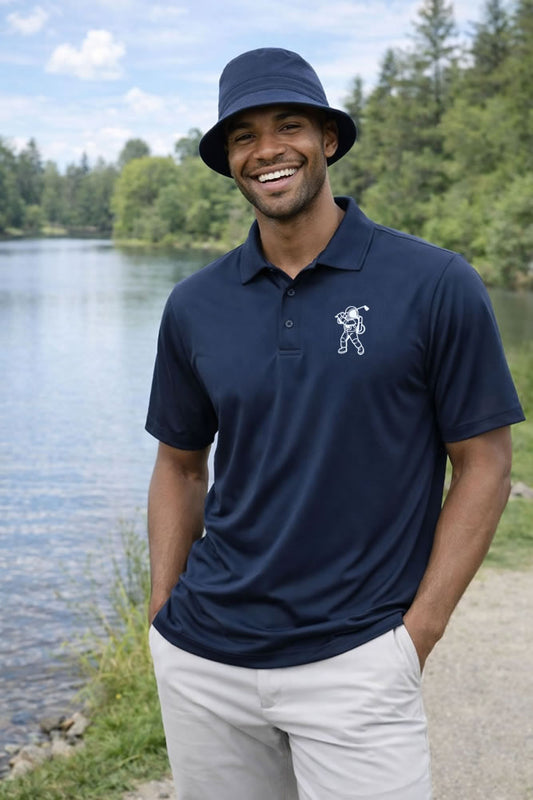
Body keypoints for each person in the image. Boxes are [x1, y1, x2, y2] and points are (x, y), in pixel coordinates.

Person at [145, 48, 524, 800]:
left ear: (328, 140)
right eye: (243, 136)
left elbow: (484, 465)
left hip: (357, 661)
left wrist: (416, 636)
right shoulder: (194, 305)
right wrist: (161, 616)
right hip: (205, 660)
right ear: (228, 161)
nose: (266, 150)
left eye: (288, 125)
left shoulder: (432, 283)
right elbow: (181, 466)